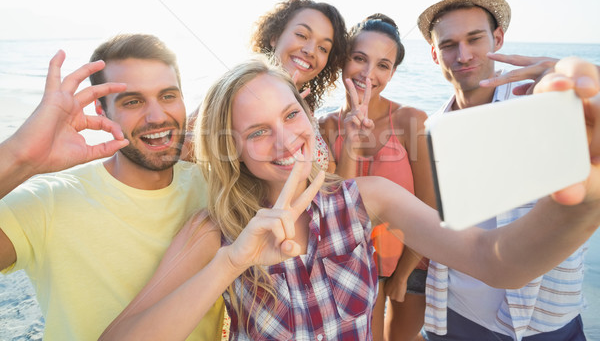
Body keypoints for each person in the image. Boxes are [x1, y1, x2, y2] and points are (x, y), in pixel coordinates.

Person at [101, 55, 600, 341]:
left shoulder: (368, 199)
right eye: (256, 132)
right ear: (231, 151)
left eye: (291, 116)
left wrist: (585, 195)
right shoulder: (213, 233)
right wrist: (230, 264)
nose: (285, 141)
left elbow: (494, 261)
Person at [0, 34, 223, 340]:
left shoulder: (216, 188)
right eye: (133, 101)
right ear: (102, 113)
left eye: (169, 96)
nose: (157, 116)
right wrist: (20, 156)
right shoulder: (48, 202)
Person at [417, 0, 591, 340]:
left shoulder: (545, 104)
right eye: (448, 45)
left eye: (474, 38)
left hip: (542, 320)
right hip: (452, 317)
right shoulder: (432, 126)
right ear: (435, 55)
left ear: (497, 38)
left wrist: (578, 101)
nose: (463, 55)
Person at [319, 14, 434, 340]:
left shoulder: (409, 120)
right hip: (346, 268)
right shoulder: (325, 127)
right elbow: (336, 209)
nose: (369, 74)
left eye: (383, 65)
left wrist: (401, 275)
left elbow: (428, 205)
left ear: (393, 72)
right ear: (342, 59)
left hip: (408, 267)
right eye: (359, 59)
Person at [182, 0, 347, 170]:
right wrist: (238, 146)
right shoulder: (242, 89)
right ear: (275, 36)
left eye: (323, 48)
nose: (310, 50)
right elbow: (177, 144)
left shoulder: (304, 107)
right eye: (301, 35)